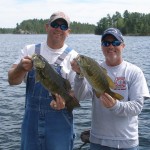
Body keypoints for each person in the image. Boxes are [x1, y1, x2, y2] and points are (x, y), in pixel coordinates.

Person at [8, 11, 78, 150]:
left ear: (68, 32)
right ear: (47, 27)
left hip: (60, 126)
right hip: (31, 125)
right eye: (55, 24)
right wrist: (21, 68)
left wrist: (65, 102)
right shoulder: (30, 50)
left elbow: (74, 92)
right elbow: (12, 80)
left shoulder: (74, 57)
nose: (59, 29)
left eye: (63, 27)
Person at [71, 28, 150, 150]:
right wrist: (79, 75)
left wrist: (115, 106)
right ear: (101, 46)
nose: (110, 46)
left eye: (116, 42)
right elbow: (80, 96)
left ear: (123, 45)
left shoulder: (134, 72)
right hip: (97, 141)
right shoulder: (94, 68)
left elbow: (137, 107)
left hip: (126, 142)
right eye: (106, 43)